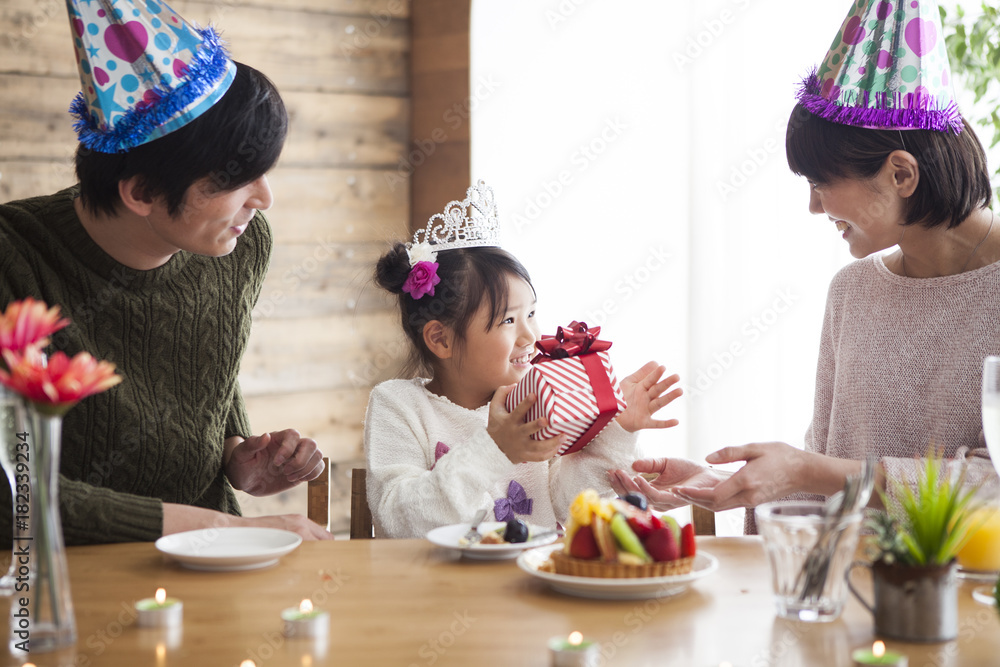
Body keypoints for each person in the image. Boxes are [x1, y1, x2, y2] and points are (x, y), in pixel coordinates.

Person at [611, 0, 1000, 529]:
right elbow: (826, 472)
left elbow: (990, 489)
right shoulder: (852, 291)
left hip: (959, 606)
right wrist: (739, 487)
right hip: (844, 598)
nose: (814, 207)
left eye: (820, 185)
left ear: (901, 175)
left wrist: (803, 471)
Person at [0, 1, 331, 543]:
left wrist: (234, 453)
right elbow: (12, 490)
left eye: (265, 173)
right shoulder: (14, 259)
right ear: (142, 192)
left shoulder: (239, 246)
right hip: (59, 576)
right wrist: (212, 526)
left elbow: (205, 372)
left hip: (209, 565)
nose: (263, 200)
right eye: (237, 179)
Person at [364, 181, 683, 538]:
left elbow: (568, 504)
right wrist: (494, 449)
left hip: (535, 583)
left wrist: (615, 430)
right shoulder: (398, 405)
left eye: (531, 313)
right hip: (439, 591)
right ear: (441, 339)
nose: (530, 336)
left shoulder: (537, 398)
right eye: (508, 320)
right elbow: (401, 521)